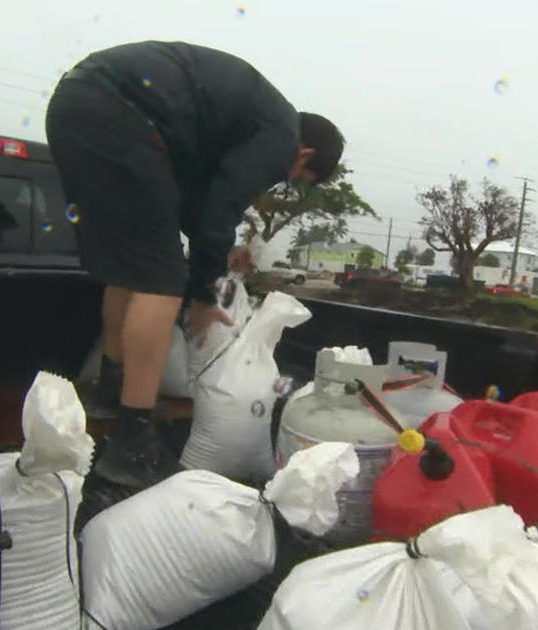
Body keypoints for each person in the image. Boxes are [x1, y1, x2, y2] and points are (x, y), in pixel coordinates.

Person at [46, 41, 345, 487]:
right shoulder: (280, 136)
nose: (287, 179)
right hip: (119, 114)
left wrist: (217, 255)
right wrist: (203, 294)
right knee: (162, 280)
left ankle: (110, 387)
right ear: (304, 156)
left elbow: (190, 209)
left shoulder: (236, 121)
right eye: (298, 177)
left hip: (75, 105)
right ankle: (132, 440)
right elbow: (222, 205)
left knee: (133, 268)